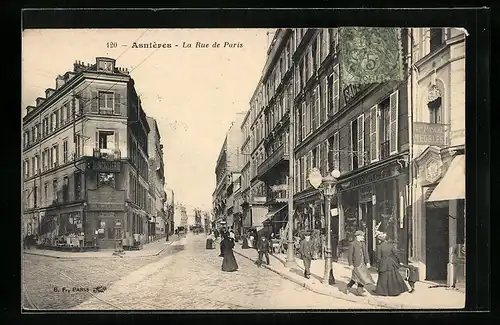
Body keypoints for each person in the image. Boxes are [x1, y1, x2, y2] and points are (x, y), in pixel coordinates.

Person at [374, 232, 409, 296]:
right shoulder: (391, 245)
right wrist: (399, 261)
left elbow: (378, 258)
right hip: (391, 262)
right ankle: (395, 292)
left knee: (383, 278)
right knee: (392, 277)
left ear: (379, 240)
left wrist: (378, 265)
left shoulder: (379, 246)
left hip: (383, 262)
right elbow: (396, 254)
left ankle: (383, 292)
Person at [345, 230, 375, 296]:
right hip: (356, 263)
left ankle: (359, 290)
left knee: (362, 277)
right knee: (355, 277)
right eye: (361, 236)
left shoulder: (363, 244)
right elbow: (349, 255)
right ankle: (348, 286)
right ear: (357, 236)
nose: (363, 237)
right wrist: (350, 264)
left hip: (362, 263)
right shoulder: (352, 244)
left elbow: (366, 253)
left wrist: (368, 262)